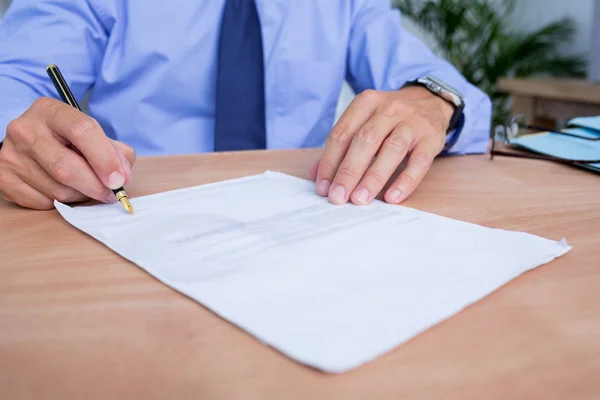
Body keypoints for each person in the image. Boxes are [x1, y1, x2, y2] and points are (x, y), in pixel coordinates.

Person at [0, 0, 491, 211]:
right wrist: (13, 132)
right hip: (135, 209)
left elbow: (435, 82)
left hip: (309, 217)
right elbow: (14, 77)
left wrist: (433, 101)